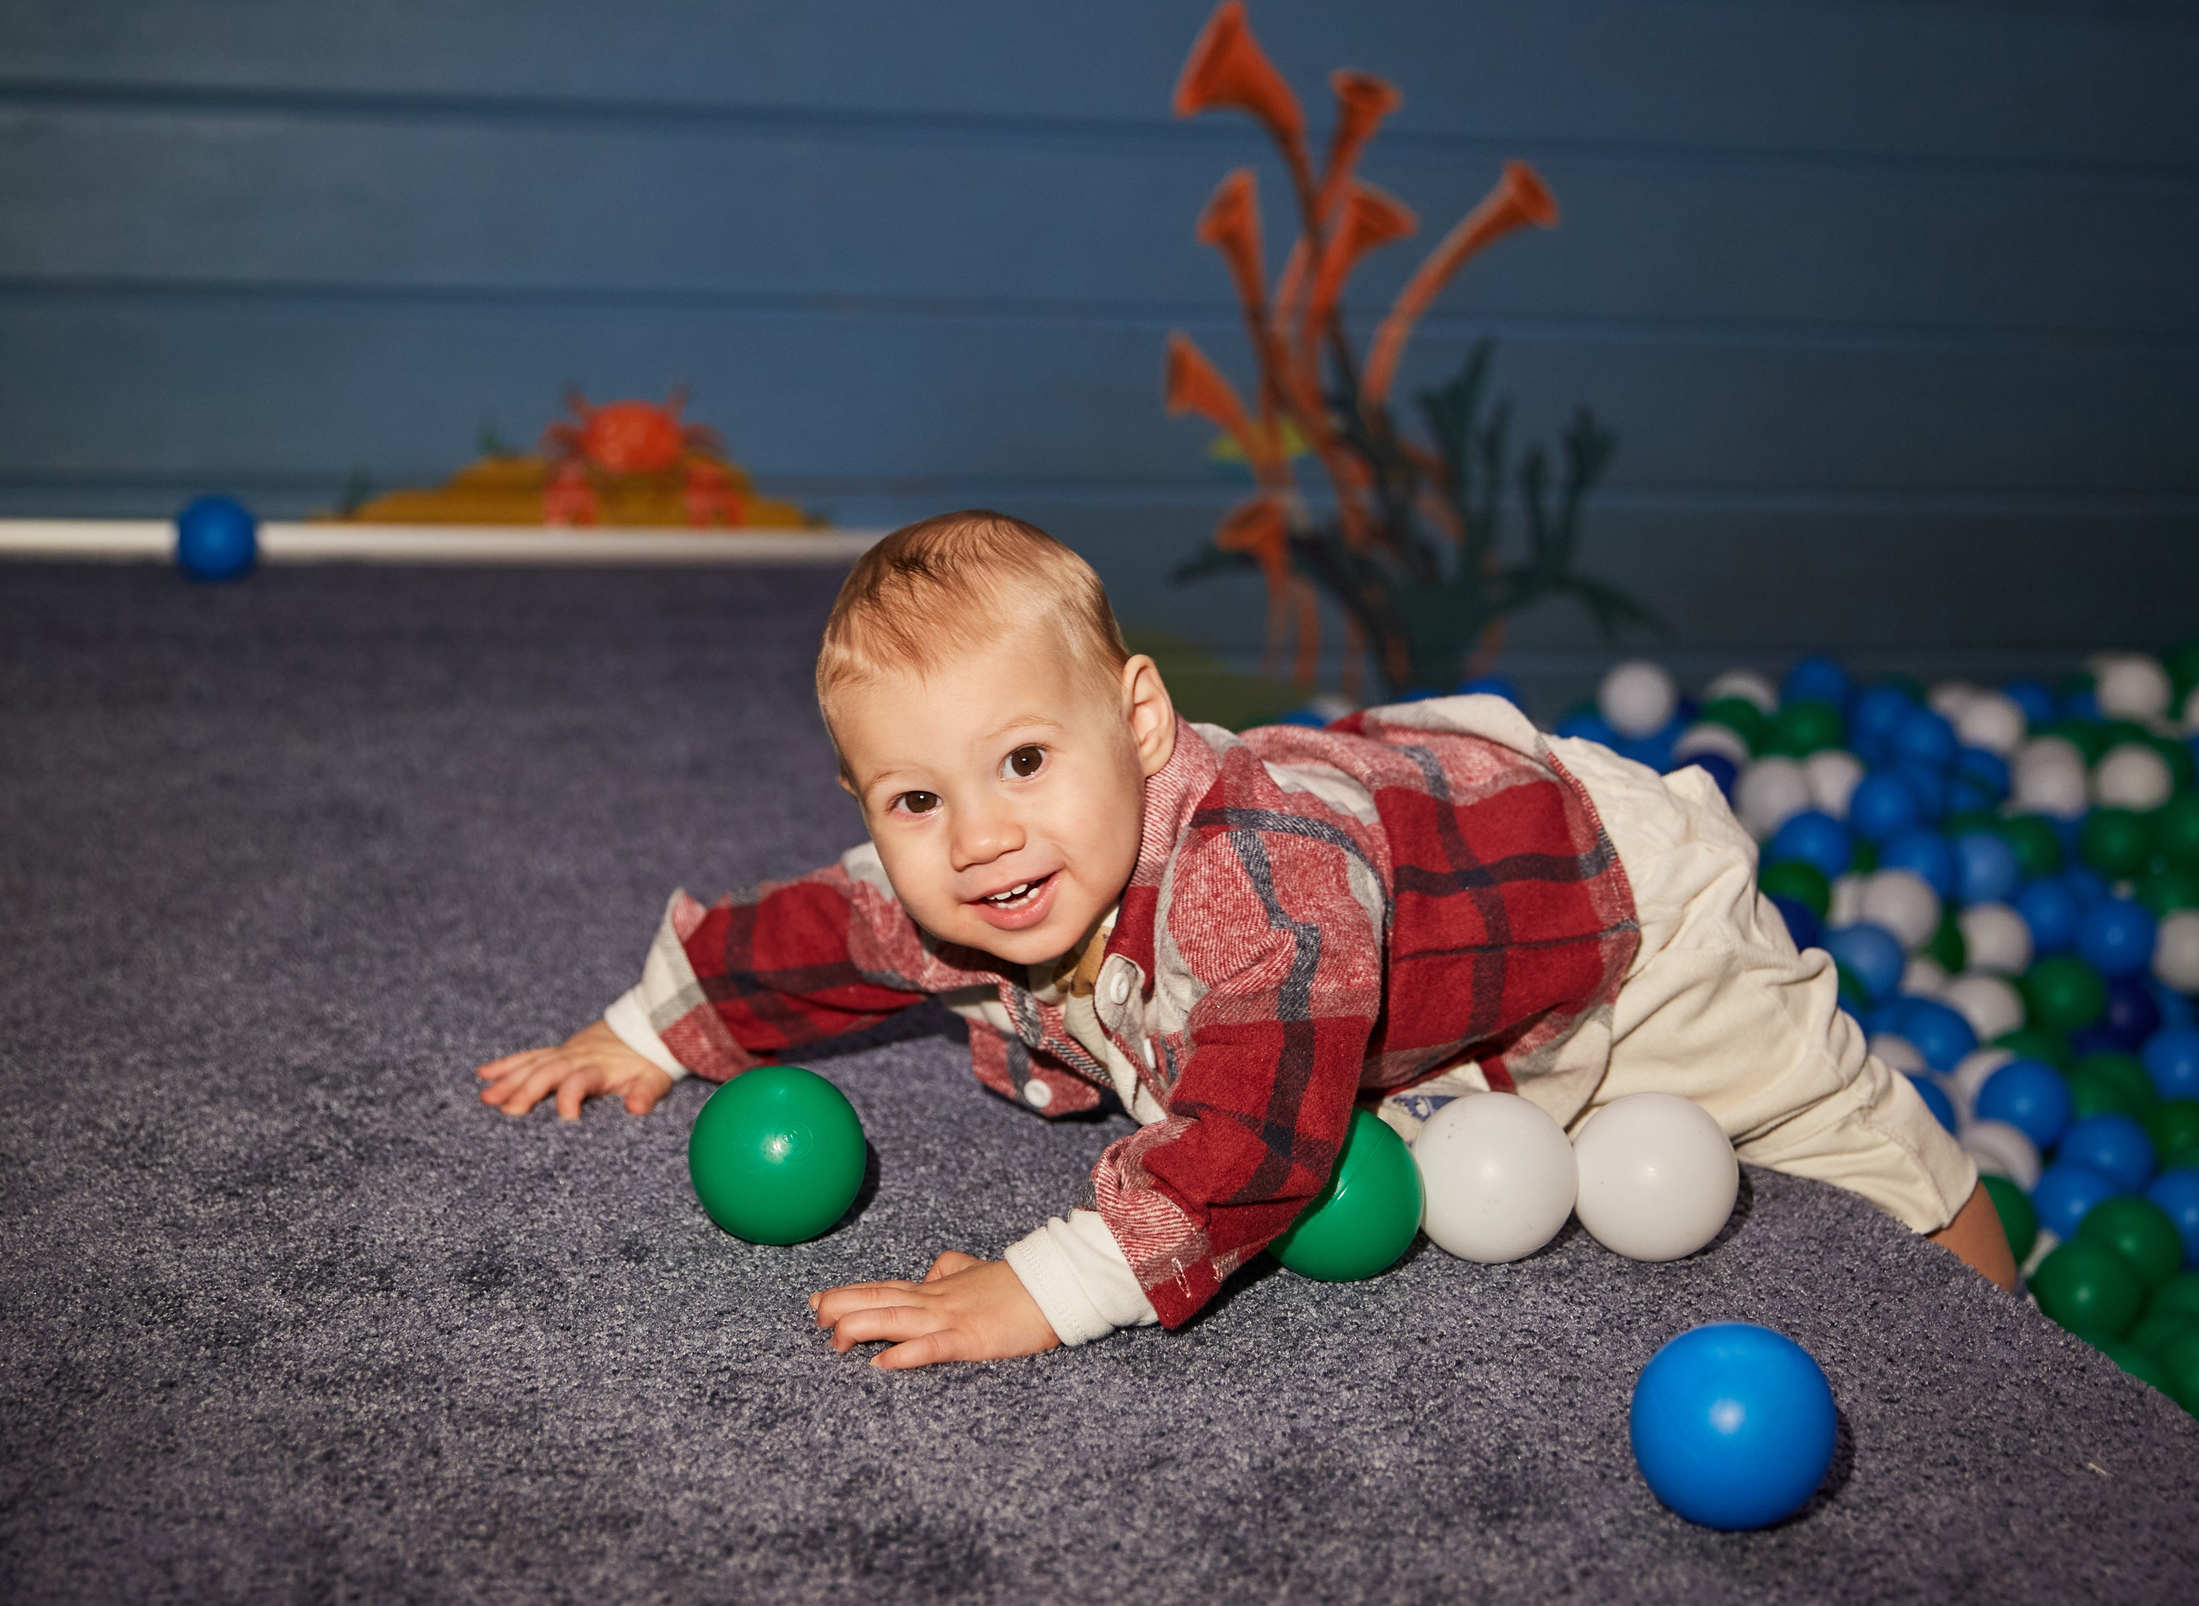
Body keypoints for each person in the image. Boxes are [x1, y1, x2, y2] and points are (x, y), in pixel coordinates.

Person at [476, 511, 2016, 1369]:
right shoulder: (969, 878)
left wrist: (1040, 1286)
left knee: (1832, 1127)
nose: (982, 837)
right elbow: (815, 932)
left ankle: (2005, 1329)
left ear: (1139, 725)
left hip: (1601, 906)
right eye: (915, 797)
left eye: (1026, 763)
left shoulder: (1249, 889)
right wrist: (638, 1027)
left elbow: (1251, 1149)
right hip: (1407, 899)